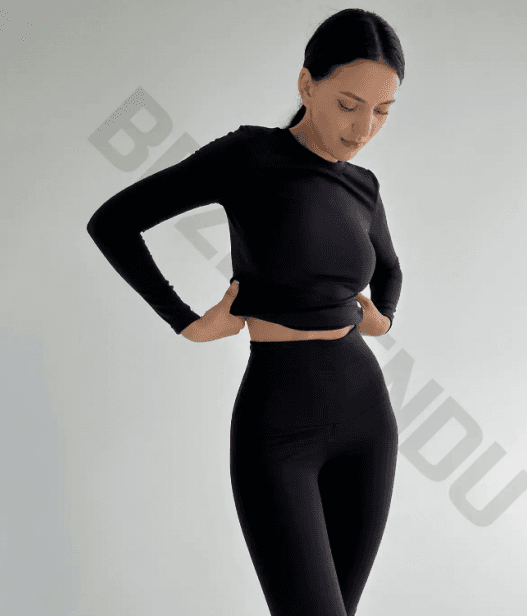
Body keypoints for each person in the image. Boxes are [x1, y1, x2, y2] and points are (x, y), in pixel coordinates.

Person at [86, 8, 404, 615]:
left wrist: (381, 316)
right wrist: (186, 321)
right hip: (279, 427)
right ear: (306, 84)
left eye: (382, 111)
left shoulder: (363, 184)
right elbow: (114, 222)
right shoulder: (251, 155)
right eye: (348, 104)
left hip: (367, 418)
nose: (363, 128)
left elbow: (388, 268)